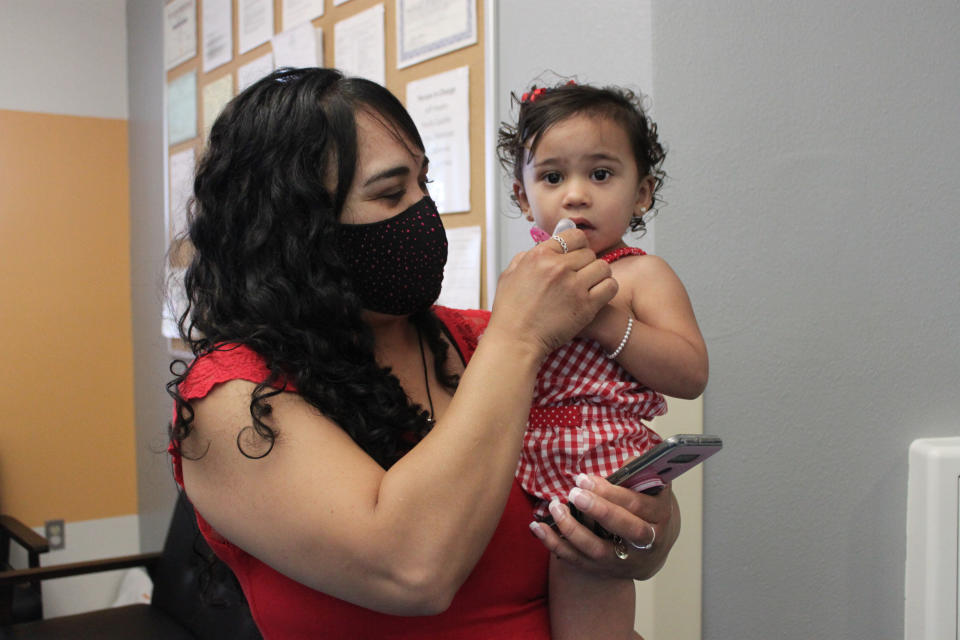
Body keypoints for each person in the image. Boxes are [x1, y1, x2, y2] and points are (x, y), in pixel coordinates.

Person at [166, 67, 680, 639]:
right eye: (390, 193)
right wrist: (519, 337)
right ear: (294, 229)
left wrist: (643, 538)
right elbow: (413, 571)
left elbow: (612, 464)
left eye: (423, 184)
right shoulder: (232, 401)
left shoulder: (479, 338)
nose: (422, 212)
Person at [497, 79, 709, 639]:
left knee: (586, 597)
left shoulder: (642, 275)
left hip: (599, 465)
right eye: (551, 177)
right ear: (523, 198)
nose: (575, 195)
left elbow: (690, 374)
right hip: (520, 456)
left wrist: (605, 317)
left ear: (642, 193)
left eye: (600, 174)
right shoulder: (522, 278)